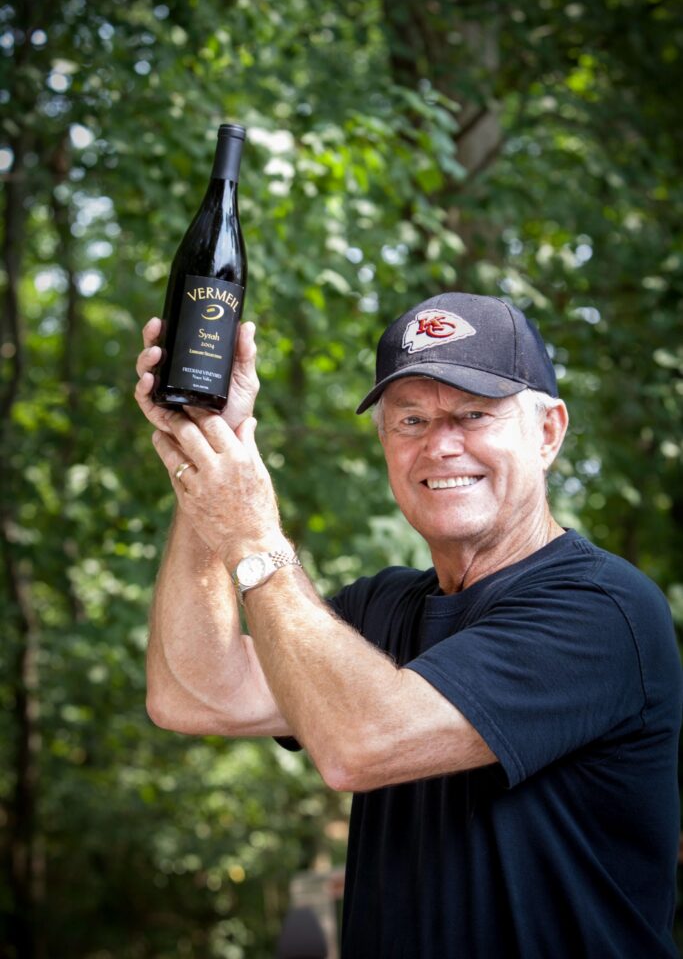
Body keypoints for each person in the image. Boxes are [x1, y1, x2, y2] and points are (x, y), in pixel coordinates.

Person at [134, 292, 682, 958]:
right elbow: (191, 693)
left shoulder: (600, 608)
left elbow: (361, 744)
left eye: (473, 415)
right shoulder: (380, 608)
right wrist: (206, 452)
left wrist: (251, 531)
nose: (440, 445)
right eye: (411, 420)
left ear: (547, 433)